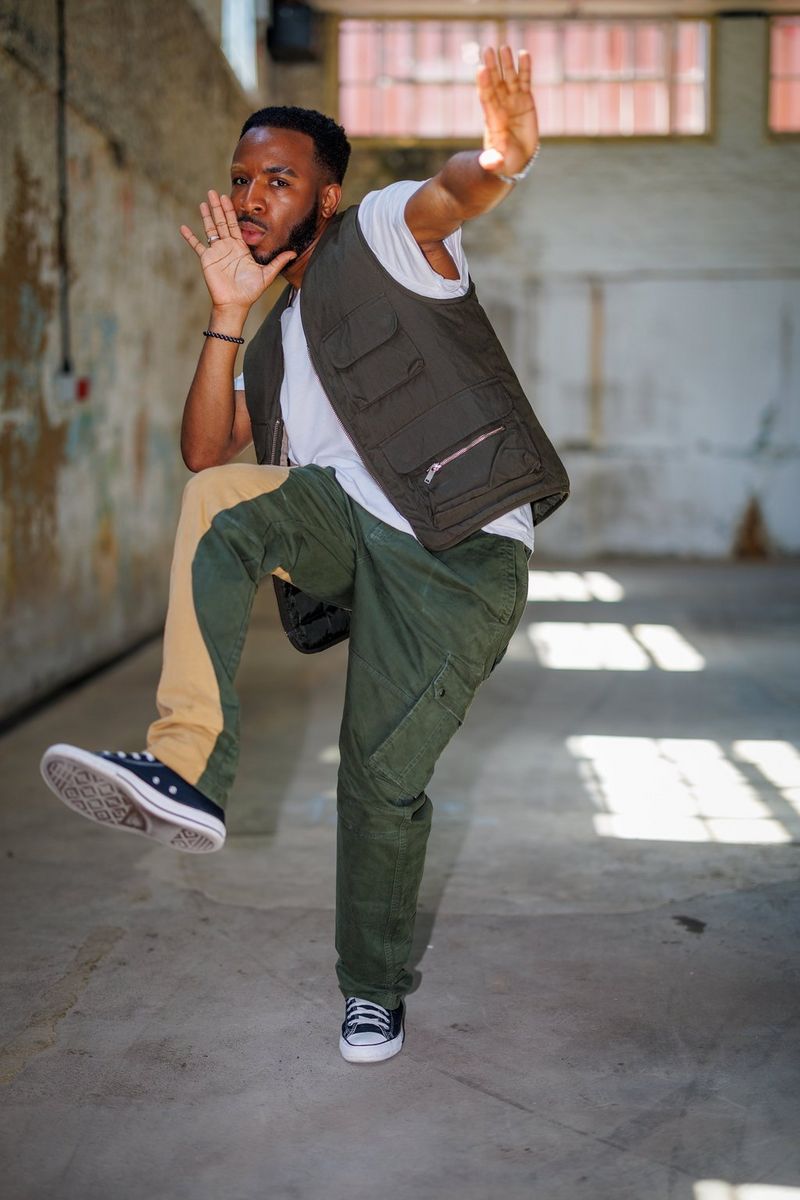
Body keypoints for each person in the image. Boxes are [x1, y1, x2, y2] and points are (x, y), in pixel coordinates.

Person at [40, 46, 568, 1064]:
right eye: (241, 179)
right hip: (346, 533)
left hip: (457, 551)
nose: (250, 198)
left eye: (277, 180)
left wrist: (505, 155)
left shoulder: (382, 234)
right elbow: (206, 451)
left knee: (377, 782)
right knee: (218, 501)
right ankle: (186, 765)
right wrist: (228, 315)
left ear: (325, 196)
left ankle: (372, 989)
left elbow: (452, 195)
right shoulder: (276, 337)